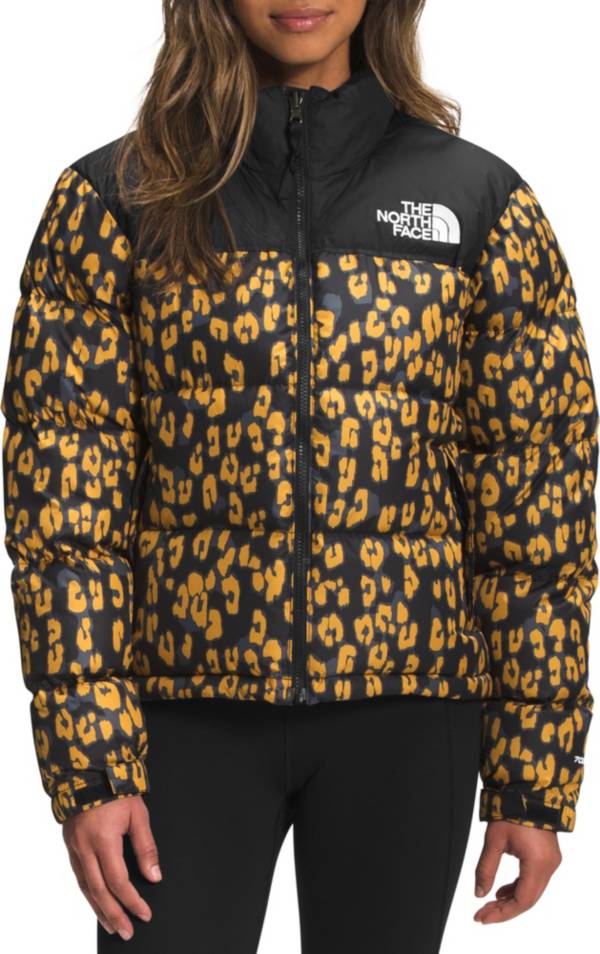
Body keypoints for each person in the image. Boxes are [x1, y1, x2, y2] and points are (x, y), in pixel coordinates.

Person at [2, 1, 597, 951]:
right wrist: (92, 764)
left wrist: (533, 775)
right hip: (179, 720)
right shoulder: (117, 200)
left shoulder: (479, 202)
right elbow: (64, 508)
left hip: (408, 717)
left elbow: (539, 504)